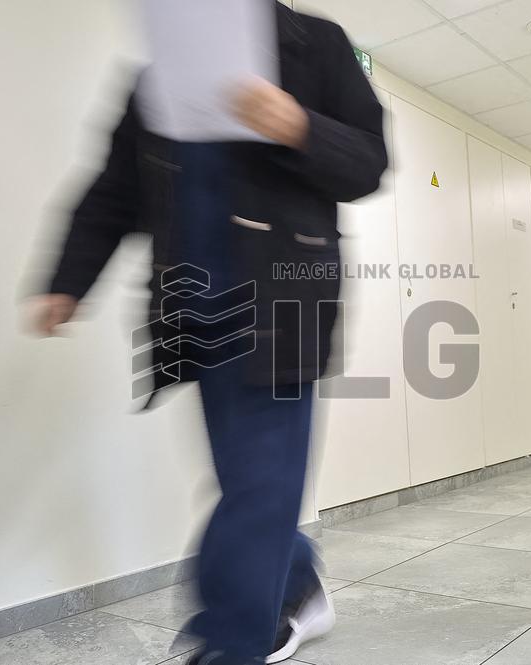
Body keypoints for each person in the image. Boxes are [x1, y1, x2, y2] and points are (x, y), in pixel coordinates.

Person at [31, 3, 387, 664]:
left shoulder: (315, 46)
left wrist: (300, 126)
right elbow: (113, 193)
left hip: (282, 304)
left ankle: (227, 641)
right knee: (250, 481)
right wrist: (66, 280)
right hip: (193, 314)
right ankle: (298, 581)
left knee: (256, 486)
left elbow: (369, 161)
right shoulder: (158, 78)